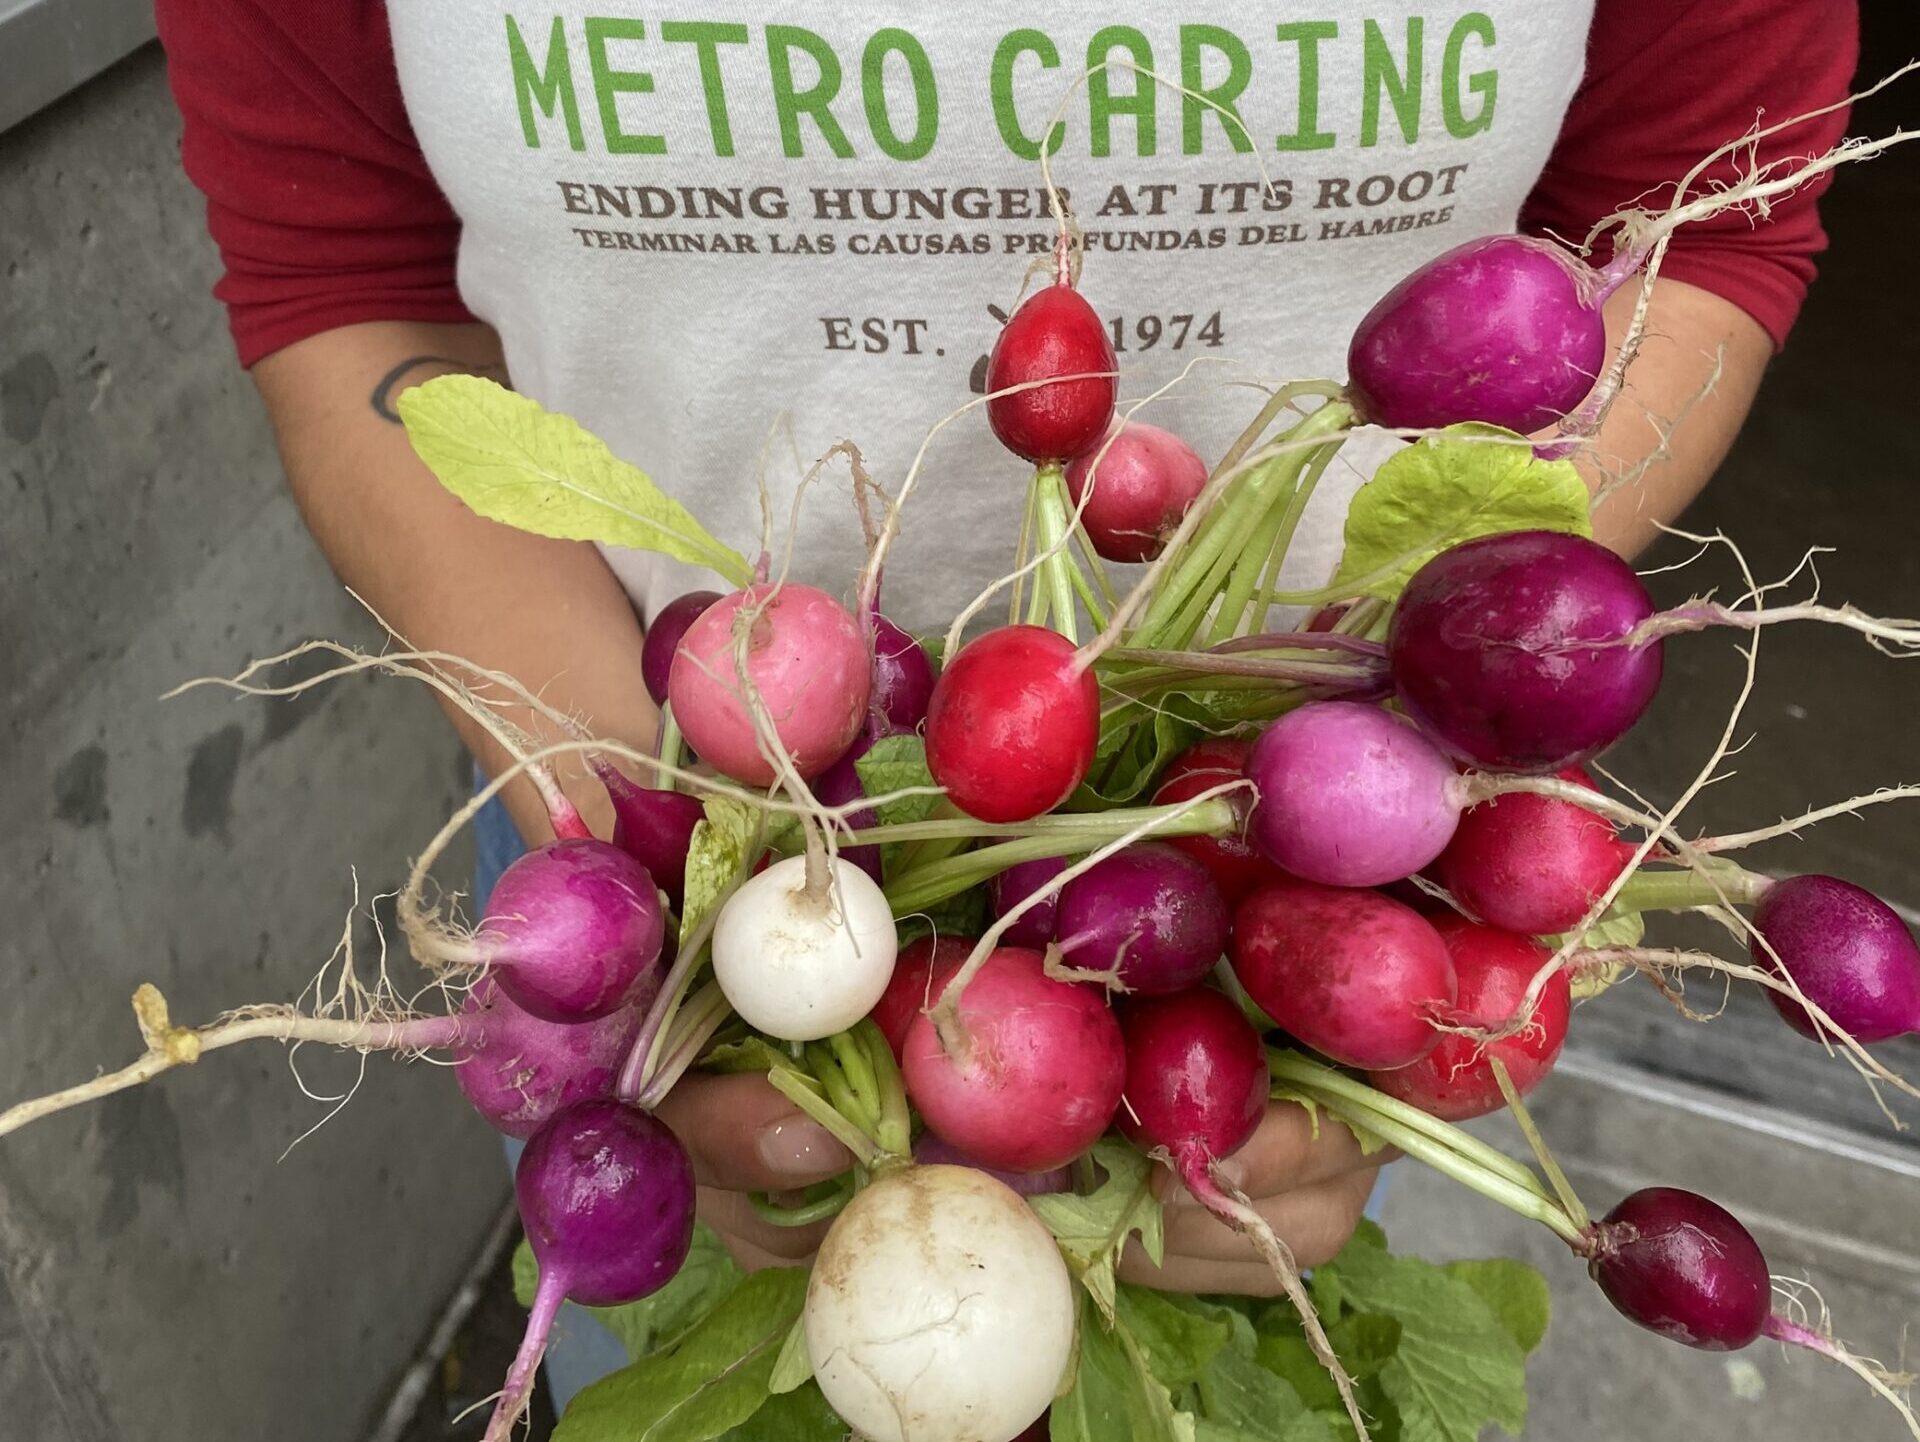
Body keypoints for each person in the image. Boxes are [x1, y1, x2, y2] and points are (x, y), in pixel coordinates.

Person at [154, 0, 1858, 1408]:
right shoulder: (654, 901)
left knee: (1239, 1259)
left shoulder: (1320, 871)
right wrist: (644, 864)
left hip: (1295, 903)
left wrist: (1399, 720)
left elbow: (1698, 213)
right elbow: (344, 274)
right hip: (670, 880)